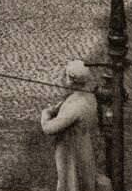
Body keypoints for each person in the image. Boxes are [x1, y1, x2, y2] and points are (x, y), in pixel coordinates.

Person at [39, 60, 102, 191]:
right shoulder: (89, 96)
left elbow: (49, 128)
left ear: (72, 79)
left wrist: (45, 114)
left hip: (70, 150)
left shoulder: (76, 106)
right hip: (83, 145)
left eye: (65, 75)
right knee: (83, 180)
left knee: (70, 182)